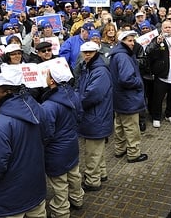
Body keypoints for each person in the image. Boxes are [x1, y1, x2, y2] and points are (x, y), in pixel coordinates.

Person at [0, 68, 47, 218]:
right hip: (35, 188)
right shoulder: (37, 109)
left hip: (11, 198)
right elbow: (47, 136)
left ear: (7, 92)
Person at [41, 63, 85, 217]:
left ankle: (61, 211)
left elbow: (47, 132)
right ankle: (77, 198)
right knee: (74, 174)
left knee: (59, 183)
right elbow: (79, 117)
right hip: (71, 144)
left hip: (55, 150)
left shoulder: (48, 106)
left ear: (52, 81)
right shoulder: (74, 95)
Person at [76, 41, 113, 191]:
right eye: (85, 52)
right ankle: (101, 173)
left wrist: (77, 102)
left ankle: (92, 181)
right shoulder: (89, 67)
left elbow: (92, 95)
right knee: (97, 150)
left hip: (95, 117)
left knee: (92, 152)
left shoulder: (99, 71)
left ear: (96, 52)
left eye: (90, 52)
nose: (87, 55)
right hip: (95, 116)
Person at [108, 30, 148, 163]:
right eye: (129, 40)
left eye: (133, 40)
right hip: (128, 98)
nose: (132, 43)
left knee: (119, 125)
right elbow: (126, 79)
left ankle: (120, 149)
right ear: (122, 41)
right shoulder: (124, 56)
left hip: (119, 98)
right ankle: (133, 153)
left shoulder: (117, 54)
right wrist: (138, 82)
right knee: (131, 128)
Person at [146, 20, 171, 127]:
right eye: (165, 27)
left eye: (169, 27)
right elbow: (149, 52)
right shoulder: (158, 39)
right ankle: (156, 117)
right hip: (162, 75)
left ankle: (169, 114)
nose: (168, 29)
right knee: (158, 98)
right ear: (161, 29)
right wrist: (156, 43)